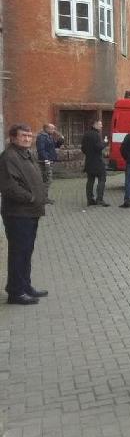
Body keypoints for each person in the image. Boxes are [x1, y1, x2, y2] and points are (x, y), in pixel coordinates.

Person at [0, 124, 49, 305]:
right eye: (23, 136)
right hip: (18, 213)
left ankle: (25, 286)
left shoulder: (27, 154)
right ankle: (16, 292)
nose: (27, 139)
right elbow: (9, 186)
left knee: (26, 251)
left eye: (29, 136)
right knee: (19, 253)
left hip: (30, 212)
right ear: (13, 138)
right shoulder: (9, 157)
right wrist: (31, 198)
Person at [81, 119, 109, 207]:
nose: (101, 126)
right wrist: (105, 143)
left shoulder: (86, 134)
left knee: (90, 180)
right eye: (100, 124)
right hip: (97, 161)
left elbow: (83, 148)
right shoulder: (96, 135)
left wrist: (89, 153)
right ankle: (99, 199)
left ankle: (90, 199)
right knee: (102, 179)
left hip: (89, 161)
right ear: (94, 125)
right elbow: (98, 147)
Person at [35, 123, 64, 198]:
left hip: (49, 160)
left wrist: (61, 139)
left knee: (46, 180)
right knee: (47, 180)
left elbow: (55, 146)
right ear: (46, 129)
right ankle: (43, 197)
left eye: (54, 128)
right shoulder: (41, 137)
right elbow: (41, 150)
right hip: (45, 162)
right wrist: (46, 159)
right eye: (52, 128)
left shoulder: (49, 136)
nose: (54, 130)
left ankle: (44, 197)